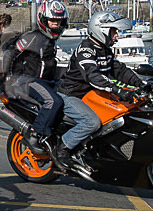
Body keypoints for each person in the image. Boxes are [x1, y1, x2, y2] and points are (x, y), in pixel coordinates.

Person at [57, 11, 147, 168]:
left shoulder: (105, 50)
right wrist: (118, 90)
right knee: (91, 122)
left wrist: (141, 84)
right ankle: (62, 150)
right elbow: (93, 76)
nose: (116, 36)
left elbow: (120, 70)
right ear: (101, 30)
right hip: (72, 94)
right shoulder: (86, 50)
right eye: (113, 32)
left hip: (92, 94)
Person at [0, 0, 69, 154]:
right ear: (43, 20)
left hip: (44, 80)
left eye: (59, 21)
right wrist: (8, 76)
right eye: (52, 21)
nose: (56, 25)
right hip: (26, 80)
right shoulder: (33, 37)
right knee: (53, 101)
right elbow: (10, 50)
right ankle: (35, 135)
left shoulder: (50, 40)